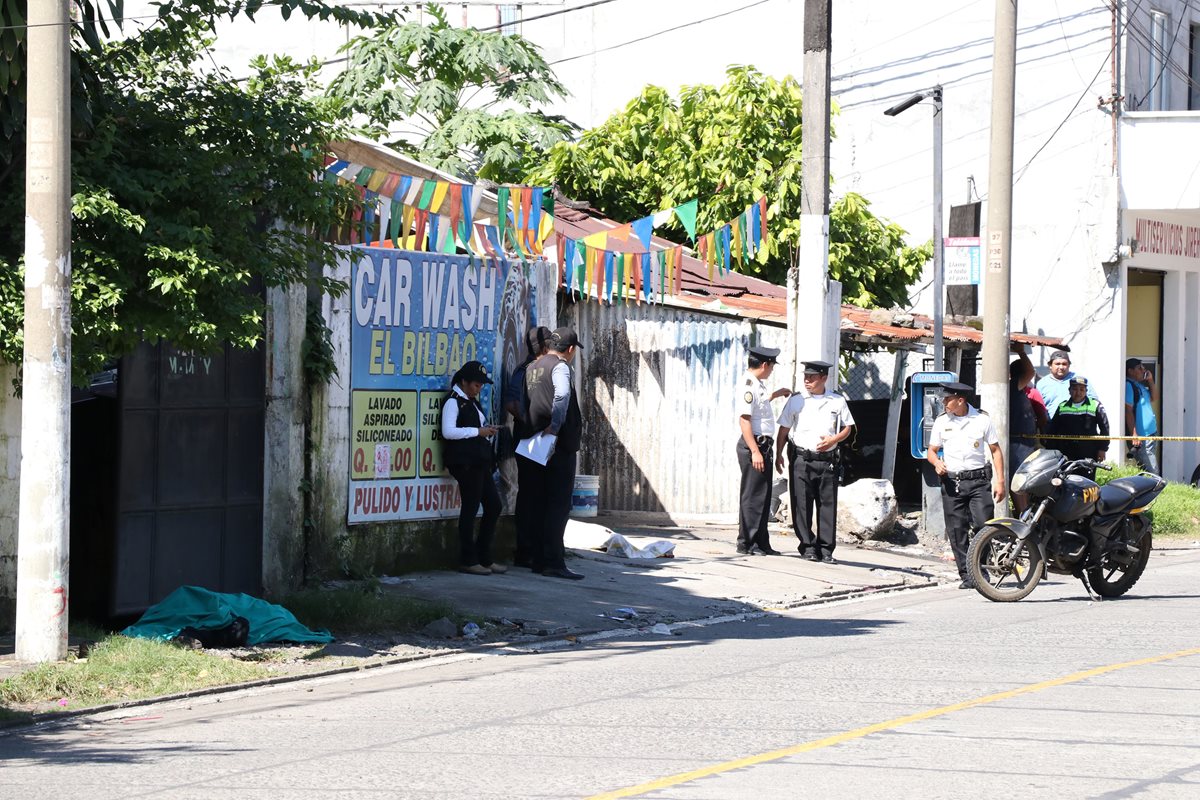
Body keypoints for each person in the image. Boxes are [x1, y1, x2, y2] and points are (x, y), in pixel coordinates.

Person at [926, 382, 1005, 589]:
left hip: (978, 481)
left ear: (960, 400)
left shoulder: (981, 420)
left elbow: (995, 450)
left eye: (947, 399)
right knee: (957, 529)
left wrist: (1001, 481)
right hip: (953, 482)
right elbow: (931, 451)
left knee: (983, 525)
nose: (944, 402)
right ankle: (967, 575)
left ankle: (980, 570)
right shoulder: (942, 422)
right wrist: (937, 463)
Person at [775, 360, 854, 563]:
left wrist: (833, 439)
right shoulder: (796, 400)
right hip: (802, 459)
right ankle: (808, 546)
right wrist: (779, 454)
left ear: (824, 378)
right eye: (805, 377)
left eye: (812, 377)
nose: (807, 381)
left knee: (827, 505)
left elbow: (847, 428)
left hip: (827, 461)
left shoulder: (837, 401)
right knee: (801, 504)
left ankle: (826, 549)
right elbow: (784, 429)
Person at [524, 327, 585, 580]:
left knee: (538, 503)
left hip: (534, 444)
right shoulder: (560, 367)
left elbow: (525, 401)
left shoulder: (532, 368)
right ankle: (553, 562)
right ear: (570, 349)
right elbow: (562, 396)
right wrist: (556, 426)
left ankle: (538, 559)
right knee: (558, 505)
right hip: (556, 445)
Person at [440, 360, 505, 576]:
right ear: (464, 382)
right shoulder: (453, 401)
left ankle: (484, 557)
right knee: (470, 508)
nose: (479, 389)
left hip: (479, 461)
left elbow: (475, 428)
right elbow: (449, 432)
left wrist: (486, 430)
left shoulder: (471, 401)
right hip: (464, 462)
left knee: (494, 506)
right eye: (476, 385)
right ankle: (468, 559)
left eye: (481, 386)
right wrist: (478, 432)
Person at [735, 345, 791, 556]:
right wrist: (755, 451)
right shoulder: (748, 386)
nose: (772, 370)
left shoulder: (757, 384)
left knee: (763, 495)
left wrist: (776, 394)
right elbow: (745, 420)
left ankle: (761, 542)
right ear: (765, 364)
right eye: (772, 366)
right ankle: (747, 543)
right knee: (752, 496)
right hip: (755, 446)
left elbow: (758, 407)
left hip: (763, 445)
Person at [505, 326, 552, 567]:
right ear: (543, 347)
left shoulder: (544, 369)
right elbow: (512, 403)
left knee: (539, 495)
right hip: (528, 440)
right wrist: (531, 421)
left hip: (541, 440)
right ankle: (525, 551)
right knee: (530, 495)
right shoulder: (525, 371)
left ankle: (536, 548)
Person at [1048, 375, 1110, 474]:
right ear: (1069, 390)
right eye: (1075, 389)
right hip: (1066, 452)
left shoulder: (1095, 405)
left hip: (1088, 451)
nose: (1078, 392)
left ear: (1086, 391)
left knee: (1086, 482)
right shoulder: (1062, 406)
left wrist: (1103, 449)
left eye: (1082, 389)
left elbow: (1105, 429)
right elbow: (1053, 429)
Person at [1009, 347, 1040, 513]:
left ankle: (1026, 512)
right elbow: (1030, 371)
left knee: (1026, 479)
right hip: (1017, 443)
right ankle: (1023, 516)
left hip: (1025, 442)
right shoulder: (1013, 386)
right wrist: (1021, 351)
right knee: (1019, 479)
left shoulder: (1018, 390)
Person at [1125, 358, 1160, 475]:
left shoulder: (1139, 385)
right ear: (1130, 371)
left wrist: (1150, 380)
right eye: (1140, 368)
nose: (1143, 370)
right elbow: (1128, 411)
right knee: (1152, 471)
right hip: (1141, 436)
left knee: (1149, 469)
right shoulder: (1128, 385)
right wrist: (1134, 434)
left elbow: (1154, 397)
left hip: (1151, 433)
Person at [1036, 349, 1093, 419]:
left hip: (1078, 425)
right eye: (1057, 364)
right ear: (1050, 365)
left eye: (1064, 364)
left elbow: (1093, 401)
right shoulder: (1042, 384)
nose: (1061, 367)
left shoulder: (1079, 380)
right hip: (1051, 426)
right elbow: (1037, 408)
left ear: (1069, 365)